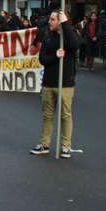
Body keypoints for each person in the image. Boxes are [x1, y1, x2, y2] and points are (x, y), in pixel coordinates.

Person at [30, 9, 79, 158]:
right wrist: (55, 56)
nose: (49, 22)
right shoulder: (48, 37)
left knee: (66, 115)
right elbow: (43, 59)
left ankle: (66, 146)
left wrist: (66, 24)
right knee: (47, 115)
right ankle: (44, 144)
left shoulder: (70, 36)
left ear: (60, 21)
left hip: (65, 83)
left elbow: (75, 44)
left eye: (53, 19)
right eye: (50, 19)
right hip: (49, 83)